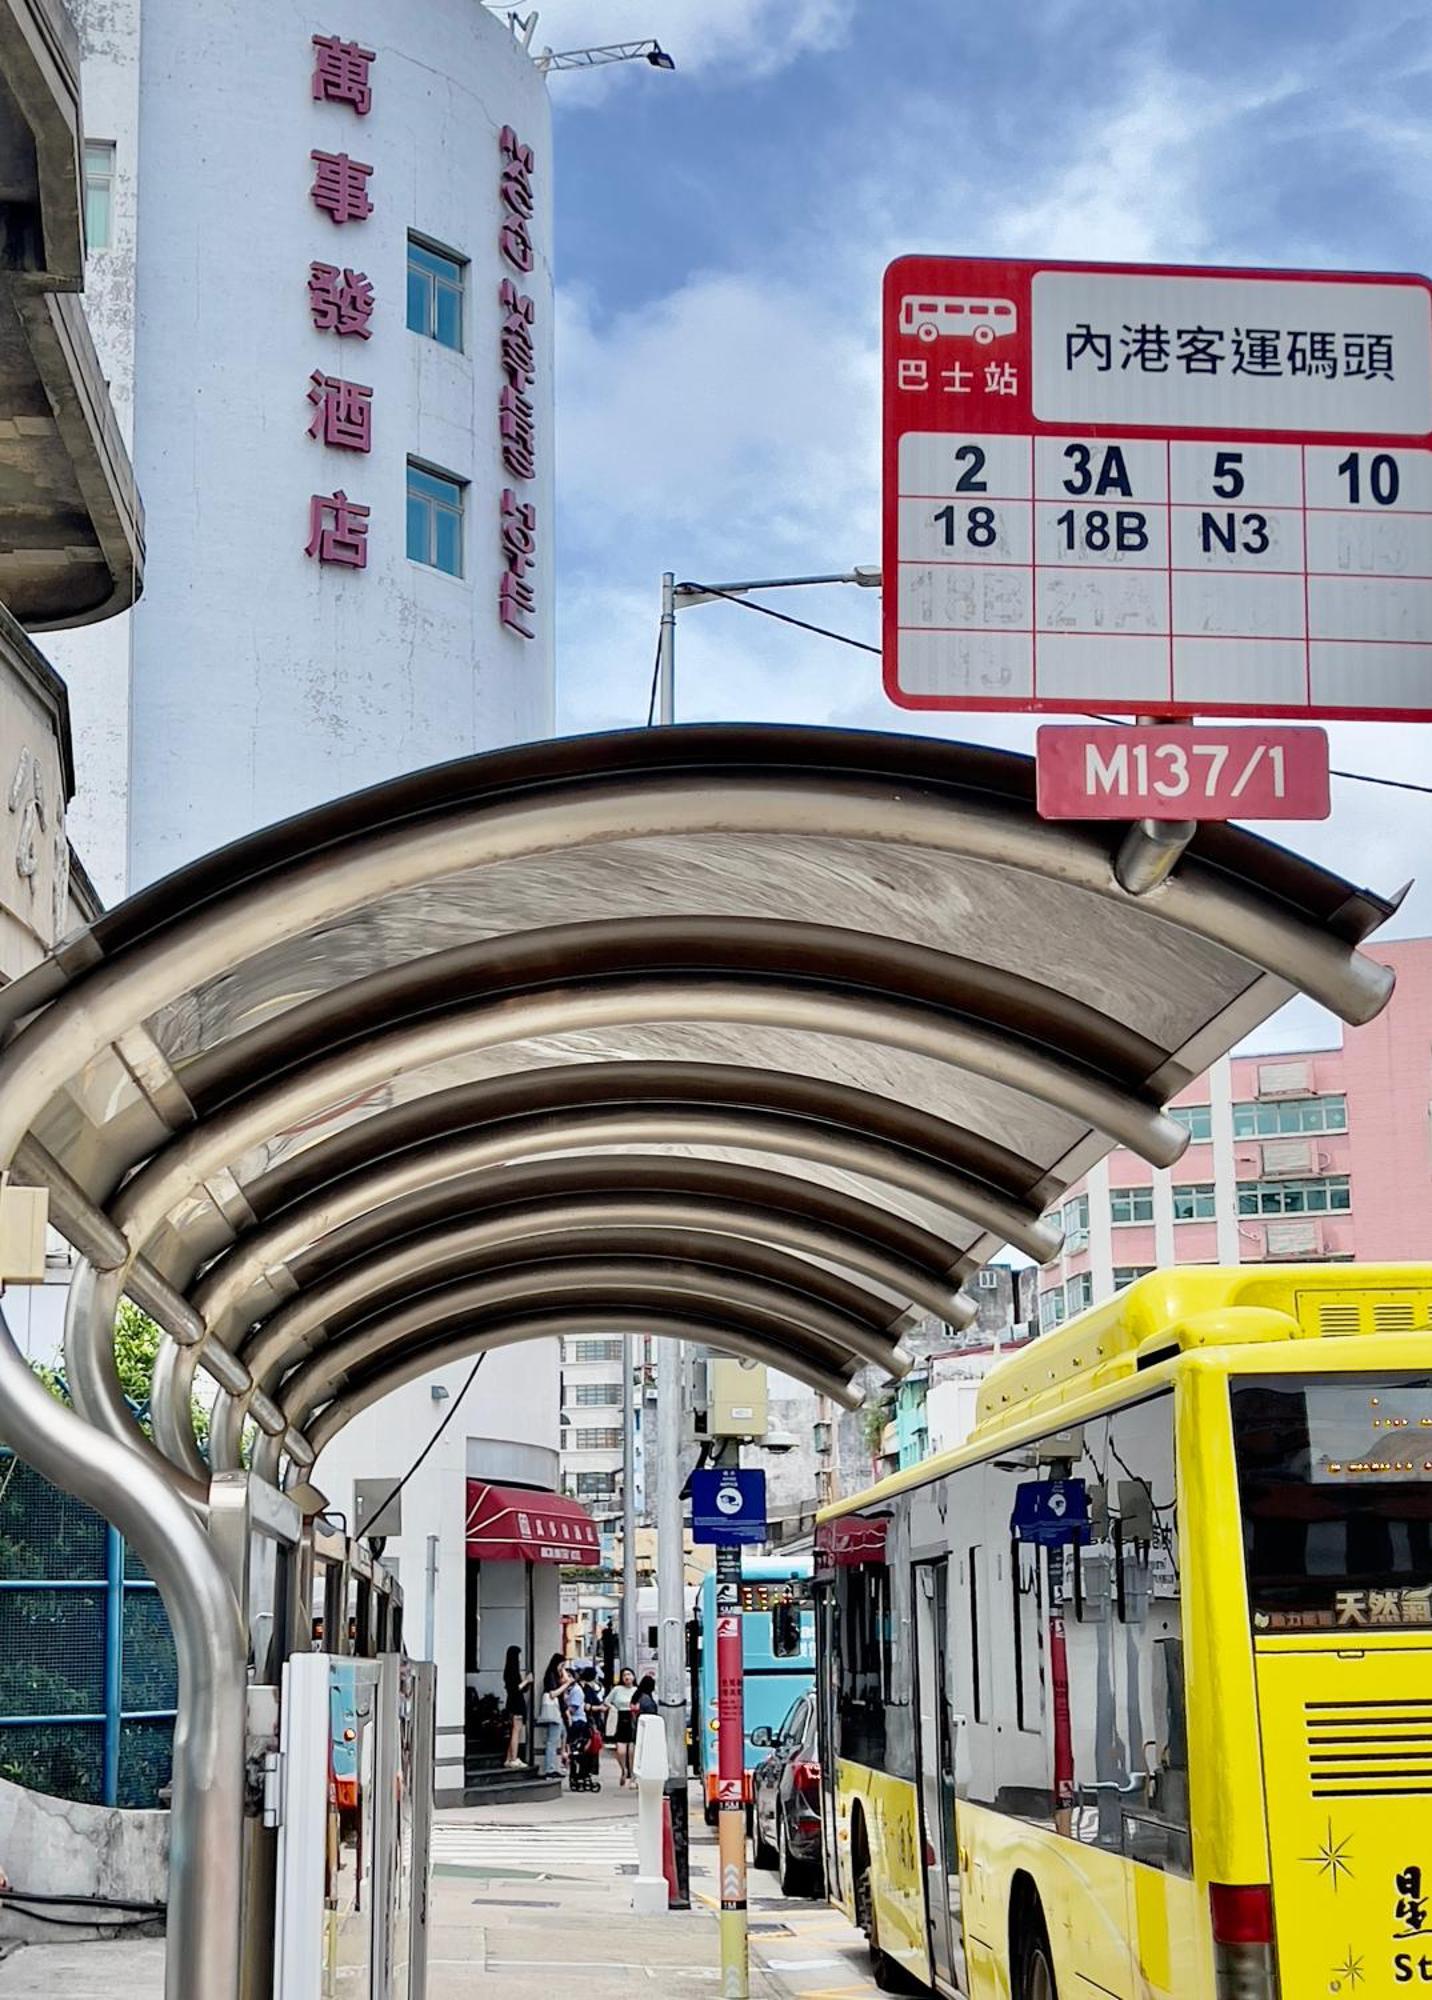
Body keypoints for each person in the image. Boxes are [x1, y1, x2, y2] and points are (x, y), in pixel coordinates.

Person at [539, 1653, 570, 1777]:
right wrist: (566, 1684)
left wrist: (564, 1675)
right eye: (562, 1665)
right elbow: (553, 1694)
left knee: (561, 1736)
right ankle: (550, 1769)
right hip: (554, 1711)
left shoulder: (554, 1675)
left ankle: (554, 1767)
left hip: (557, 1711)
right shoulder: (550, 1676)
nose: (562, 1669)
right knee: (552, 1741)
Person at [503, 1644, 531, 1769]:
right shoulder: (511, 1672)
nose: (520, 1659)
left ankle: (510, 1757)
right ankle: (513, 1758)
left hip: (514, 1702)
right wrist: (526, 1681)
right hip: (516, 1703)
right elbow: (515, 1689)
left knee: (516, 1730)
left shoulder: (511, 1671)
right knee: (516, 1730)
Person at [608, 1666, 638, 1786]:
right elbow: (607, 1701)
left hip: (632, 1719)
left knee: (631, 1751)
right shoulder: (617, 1689)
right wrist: (613, 1708)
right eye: (624, 1675)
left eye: (629, 1674)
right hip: (620, 1719)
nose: (627, 1677)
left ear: (634, 1677)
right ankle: (623, 1770)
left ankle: (632, 1776)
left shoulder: (637, 1690)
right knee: (620, 1751)